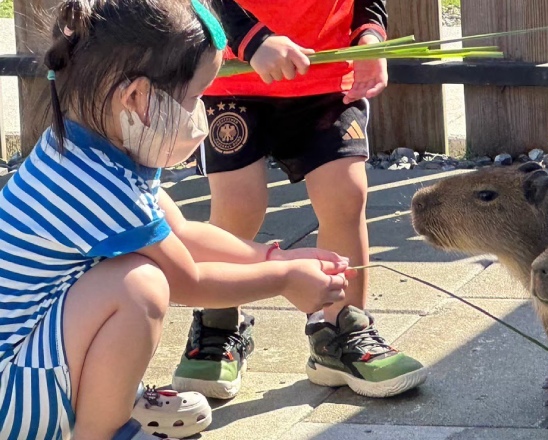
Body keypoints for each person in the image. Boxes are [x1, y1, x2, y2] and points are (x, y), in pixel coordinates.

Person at [0, 0, 355, 438]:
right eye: (193, 98)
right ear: (136, 96)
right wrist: (282, 281)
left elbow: (182, 234)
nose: (199, 111)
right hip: (16, 391)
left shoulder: (90, 148)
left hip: (29, 363)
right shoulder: (97, 184)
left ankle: (105, 397)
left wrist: (275, 257)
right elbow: (188, 282)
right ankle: (98, 430)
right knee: (139, 286)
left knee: (135, 277)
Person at [170, 0, 427, 400]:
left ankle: (343, 331)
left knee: (346, 193)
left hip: (324, 77)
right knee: (240, 203)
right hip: (235, 79)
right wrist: (253, 41)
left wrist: (371, 38)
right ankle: (218, 322)